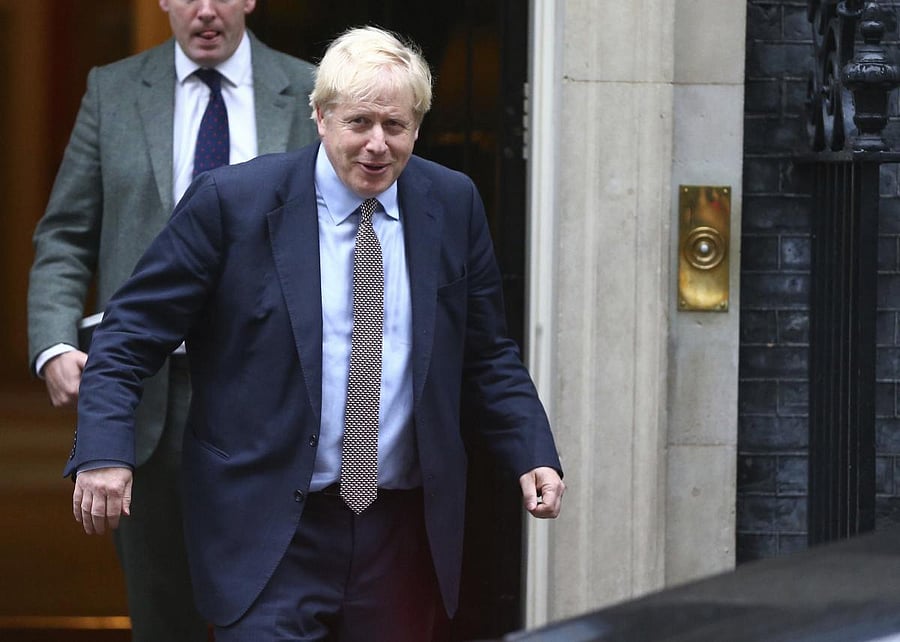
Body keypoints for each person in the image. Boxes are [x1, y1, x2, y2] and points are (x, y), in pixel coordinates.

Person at [65, 25, 564, 641]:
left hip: (400, 535)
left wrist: (531, 449)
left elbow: (488, 354)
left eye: (397, 126)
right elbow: (129, 335)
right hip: (268, 530)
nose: (378, 145)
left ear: (418, 125)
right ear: (320, 117)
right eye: (359, 123)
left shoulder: (451, 203)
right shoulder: (234, 203)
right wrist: (105, 452)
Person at [28, 0, 317, 639]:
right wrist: (53, 343)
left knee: (274, 610)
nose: (206, 11)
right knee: (164, 617)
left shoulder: (308, 89)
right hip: (149, 396)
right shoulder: (114, 90)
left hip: (271, 398)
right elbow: (67, 235)